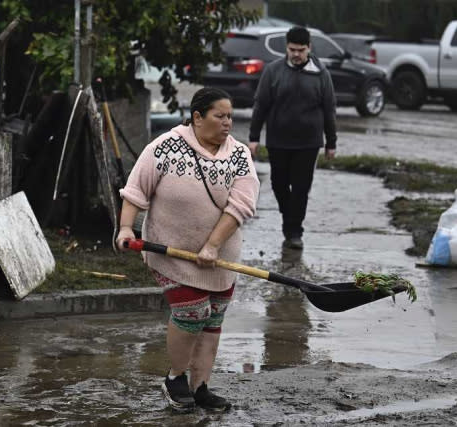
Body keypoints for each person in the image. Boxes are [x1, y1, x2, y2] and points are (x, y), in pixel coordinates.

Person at [116, 87, 259, 412]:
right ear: (198, 117)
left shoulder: (238, 155)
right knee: (192, 313)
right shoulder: (165, 147)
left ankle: (201, 387)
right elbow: (136, 189)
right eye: (219, 116)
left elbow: (241, 205)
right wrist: (126, 228)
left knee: (213, 319)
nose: (227, 123)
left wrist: (212, 246)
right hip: (172, 253)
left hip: (220, 258)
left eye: (230, 117)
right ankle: (175, 377)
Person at [248, 26, 337, 250]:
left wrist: (331, 142)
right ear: (286, 48)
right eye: (292, 49)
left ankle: (294, 232)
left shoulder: (320, 73)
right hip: (278, 140)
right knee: (278, 184)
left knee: (300, 188)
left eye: (301, 50)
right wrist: (254, 136)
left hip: (309, 142)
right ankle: (289, 217)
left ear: (309, 48)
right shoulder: (273, 71)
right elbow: (261, 105)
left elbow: (329, 110)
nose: (296, 54)